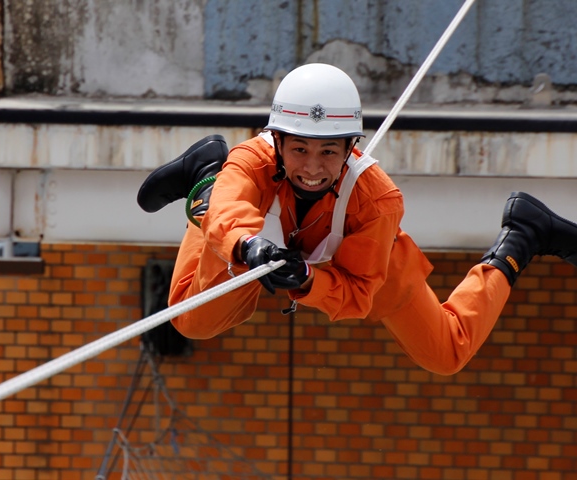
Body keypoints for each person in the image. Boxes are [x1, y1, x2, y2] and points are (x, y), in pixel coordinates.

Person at [137, 63, 577, 375]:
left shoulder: (377, 199)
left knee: (447, 352)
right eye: (299, 150)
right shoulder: (251, 159)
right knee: (192, 319)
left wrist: (307, 282)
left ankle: (523, 234)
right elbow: (231, 215)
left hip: (362, 263)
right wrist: (249, 247)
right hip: (257, 238)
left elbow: (358, 293)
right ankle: (205, 181)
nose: (312, 167)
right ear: (277, 140)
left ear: (351, 148)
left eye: (328, 151)